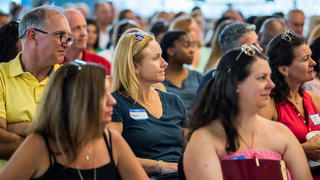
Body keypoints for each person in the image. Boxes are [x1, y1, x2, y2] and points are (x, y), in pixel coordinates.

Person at [0, 61, 149, 180]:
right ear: (78, 101)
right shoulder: (40, 145)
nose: (112, 102)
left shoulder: (112, 141)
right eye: (102, 95)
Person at [183, 44, 312, 179]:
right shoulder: (204, 139)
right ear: (236, 83)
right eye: (262, 78)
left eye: (270, 77)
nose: (271, 85)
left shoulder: (282, 133)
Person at [107, 32, 187, 179]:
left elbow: (191, 146)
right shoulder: (115, 104)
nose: (165, 63)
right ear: (134, 66)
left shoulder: (173, 101)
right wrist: (162, 166)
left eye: (161, 56)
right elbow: (113, 157)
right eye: (156, 58)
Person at [0, 4, 71, 160]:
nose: (66, 43)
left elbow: (73, 136)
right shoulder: (1, 75)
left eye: (68, 37)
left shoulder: (70, 79)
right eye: (59, 35)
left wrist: (14, 127)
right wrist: (49, 139)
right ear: (32, 36)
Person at [260, 29, 320, 177]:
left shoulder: (313, 99)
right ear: (284, 69)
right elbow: (258, 153)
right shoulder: (269, 104)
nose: (313, 63)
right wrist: (302, 150)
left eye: (311, 57)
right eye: (306, 59)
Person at [198, 22, 263, 92]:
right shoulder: (211, 82)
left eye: (258, 43)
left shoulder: (262, 75)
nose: (260, 49)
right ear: (233, 52)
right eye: (253, 46)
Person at [160, 30, 202, 111]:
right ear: (171, 51)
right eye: (186, 46)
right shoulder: (158, 78)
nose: (192, 51)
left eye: (192, 46)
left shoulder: (197, 77)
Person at [64, 9, 111, 75]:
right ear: (63, 33)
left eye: (84, 27)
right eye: (77, 28)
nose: (84, 34)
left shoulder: (102, 64)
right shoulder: (53, 64)